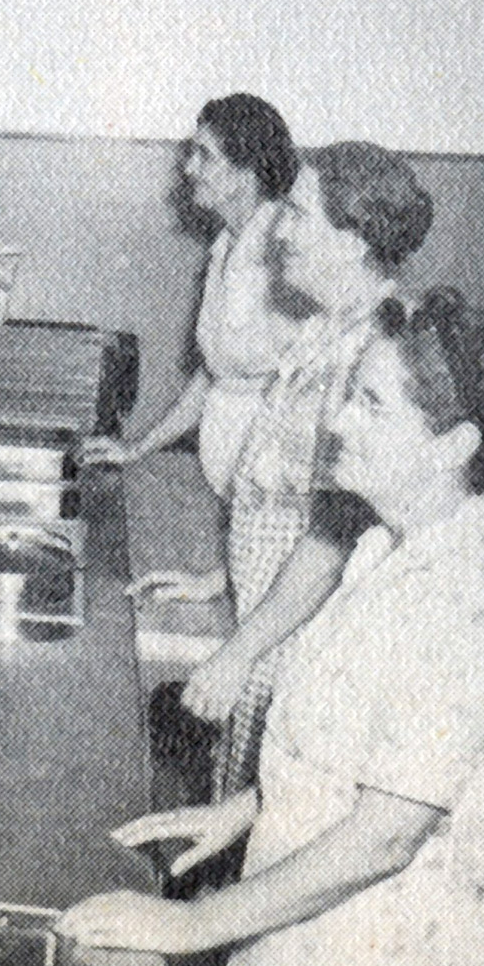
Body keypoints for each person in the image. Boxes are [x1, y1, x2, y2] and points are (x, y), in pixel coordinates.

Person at [62, 290, 484, 966]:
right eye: (349, 393)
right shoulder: (388, 547)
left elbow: (385, 837)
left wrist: (191, 924)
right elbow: (363, 749)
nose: (340, 421)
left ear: (452, 445)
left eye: (371, 403)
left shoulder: (467, 606)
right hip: (309, 925)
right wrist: (249, 807)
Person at [169, 143, 434, 803]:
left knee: (276, 811)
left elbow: (334, 537)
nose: (279, 229)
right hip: (272, 615)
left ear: (352, 240)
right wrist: (224, 576)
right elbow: (282, 486)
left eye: (296, 213)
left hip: (302, 635)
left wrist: (239, 652)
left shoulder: (373, 351)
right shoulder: (323, 327)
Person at [87, 95, 301, 498]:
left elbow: (298, 389)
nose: (189, 169)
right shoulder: (226, 245)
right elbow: (217, 373)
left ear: (245, 172)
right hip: (224, 472)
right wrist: (137, 448)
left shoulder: (285, 256)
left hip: (268, 484)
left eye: (205, 156)